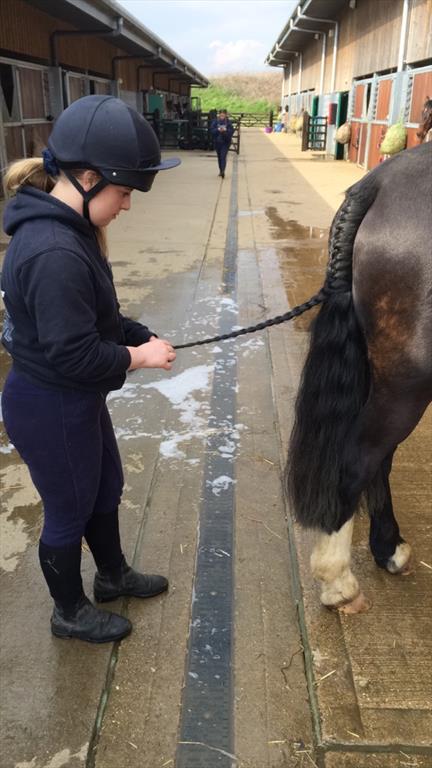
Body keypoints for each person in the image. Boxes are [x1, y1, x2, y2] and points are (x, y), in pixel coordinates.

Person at [1, 95, 180, 644]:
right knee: (69, 507)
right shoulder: (53, 251)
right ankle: (69, 612)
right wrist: (139, 357)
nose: (127, 205)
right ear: (87, 178)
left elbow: (93, 317)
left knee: (105, 485)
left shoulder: (71, 231)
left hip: (73, 398)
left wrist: (135, 333)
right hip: (50, 403)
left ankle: (112, 575)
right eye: (123, 192)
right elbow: (73, 353)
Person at [209, 109, 234, 179]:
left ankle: (223, 171)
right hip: (217, 142)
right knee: (219, 157)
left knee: (223, 156)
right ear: (219, 115)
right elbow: (211, 131)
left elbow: (231, 131)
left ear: (226, 115)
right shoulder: (215, 121)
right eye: (221, 114)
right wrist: (218, 130)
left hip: (225, 142)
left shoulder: (228, 122)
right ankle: (220, 170)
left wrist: (225, 131)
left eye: (223, 114)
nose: (222, 116)